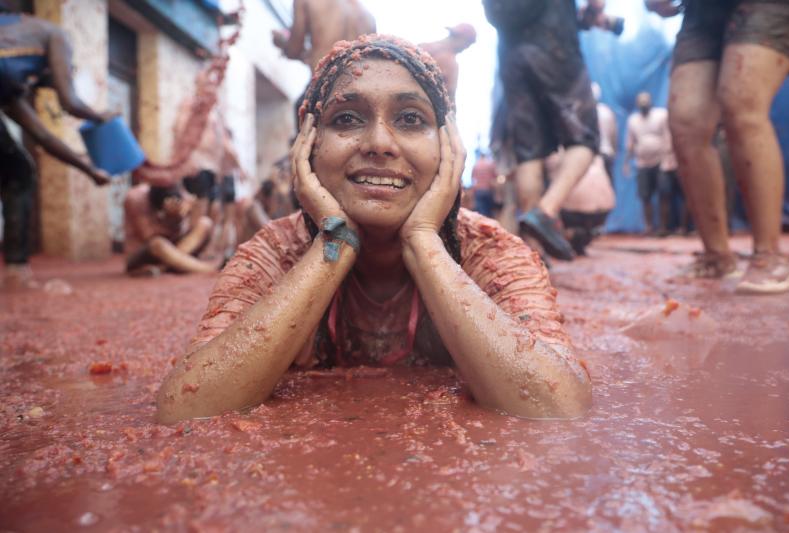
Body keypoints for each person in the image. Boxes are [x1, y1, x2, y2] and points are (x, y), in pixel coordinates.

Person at [155, 35, 591, 424]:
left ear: (448, 147)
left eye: (410, 119)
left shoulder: (489, 252)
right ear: (307, 145)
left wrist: (423, 239)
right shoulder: (275, 253)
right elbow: (186, 407)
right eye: (346, 119)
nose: (380, 143)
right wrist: (335, 242)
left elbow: (557, 404)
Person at [647, 0, 789, 292]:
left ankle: (769, 256)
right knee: (686, 121)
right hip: (701, 10)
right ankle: (716, 256)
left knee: (741, 100)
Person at [0, 4, 113, 288]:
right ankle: (15, 271)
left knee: (16, 167)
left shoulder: (11, 84)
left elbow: (43, 137)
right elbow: (70, 102)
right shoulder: (54, 34)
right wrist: (101, 117)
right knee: (18, 175)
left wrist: (89, 170)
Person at [483, 0, 600, 261]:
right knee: (585, 139)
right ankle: (545, 212)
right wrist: (594, 12)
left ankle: (533, 252)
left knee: (529, 152)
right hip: (555, 46)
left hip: (511, 58)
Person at [123, 183, 217, 276]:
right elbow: (147, 236)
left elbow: (193, 223)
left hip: (175, 248)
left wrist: (184, 214)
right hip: (149, 251)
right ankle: (208, 269)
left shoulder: (179, 192)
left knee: (204, 223)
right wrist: (169, 218)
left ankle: (163, 267)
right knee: (158, 243)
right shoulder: (136, 198)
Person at [272, 0, 375, 73]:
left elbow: (294, 50)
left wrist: (282, 41)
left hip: (323, 86)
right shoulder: (368, 17)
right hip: (352, 87)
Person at [623, 91, 669, 235]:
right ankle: (648, 227)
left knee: (664, 193)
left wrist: (668, 159)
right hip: (642, 163)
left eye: (646, 102)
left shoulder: (661, 115)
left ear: (651, 102)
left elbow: (668, 137)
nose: (644, 106)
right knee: (645, 196)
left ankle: (663, 227)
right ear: (637, 105)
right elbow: (630, 142)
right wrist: (626, 162)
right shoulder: (633, 120)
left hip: (662, 161)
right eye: (641, 103)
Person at [556, 153, 615, 255]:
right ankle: (588, 233)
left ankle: (567, 236)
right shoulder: (600, 158)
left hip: (571, 213)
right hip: (603, 211)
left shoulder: (558, 157)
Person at [419, 23, 477, 102]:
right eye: (467, 44)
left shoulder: (422, 46)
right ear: (461, 39)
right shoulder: (451, 63)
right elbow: (450, 96)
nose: (466, 48)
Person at [593, 82, 617, 187]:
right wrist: (613, 151)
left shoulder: (584, 111)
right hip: (606, 152)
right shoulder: (606, 111)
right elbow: (613, 134)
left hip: (592, 156)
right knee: (608, 185)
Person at [471, 151, 498, 218]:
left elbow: (473, 178)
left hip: (478, 190)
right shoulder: (490, 164)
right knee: (489, 211)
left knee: (481, 211)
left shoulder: (476, 165)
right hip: (488, 190)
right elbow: (495, 177)